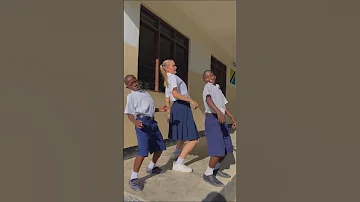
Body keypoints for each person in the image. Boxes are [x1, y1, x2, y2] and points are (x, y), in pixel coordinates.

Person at [124, 74, 168, 191]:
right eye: (131, 84)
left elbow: (149, 109)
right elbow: (129, 113)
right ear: (128, 86)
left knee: (160, 146)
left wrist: (159, 109)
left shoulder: (145, 92)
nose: (135, 84)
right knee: (143, 151)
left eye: (135, 81)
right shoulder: (131, 96)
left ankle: (151, 167)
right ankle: (133, 178)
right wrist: (135, 122)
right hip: (141, 123)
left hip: (152, 122)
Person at [160, 59, 200, 173]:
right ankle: (179, 163)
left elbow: (167, 98)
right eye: (173, 66)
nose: (175, 67)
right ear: (167, 68)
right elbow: (174, 93)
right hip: (181, 106)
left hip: (177, 107)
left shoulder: (167, 79)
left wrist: (169, 112)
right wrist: (191, 100)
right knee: (194, 138)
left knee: (182, 134)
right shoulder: (172, 77)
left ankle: (176, 153)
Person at [201, 70, 236, 187]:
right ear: (204, 80)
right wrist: (218, 113)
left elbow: (223, 107)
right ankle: (208, 173)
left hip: (221, 119)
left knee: (226, 148)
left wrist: (232, 118)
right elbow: (208, 100)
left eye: (211, 75)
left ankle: (215, 169)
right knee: (217, 148)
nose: (209, 77)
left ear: (215, 76)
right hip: (213, 119)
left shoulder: (218, 89)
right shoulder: (208, 87)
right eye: (206, 77)